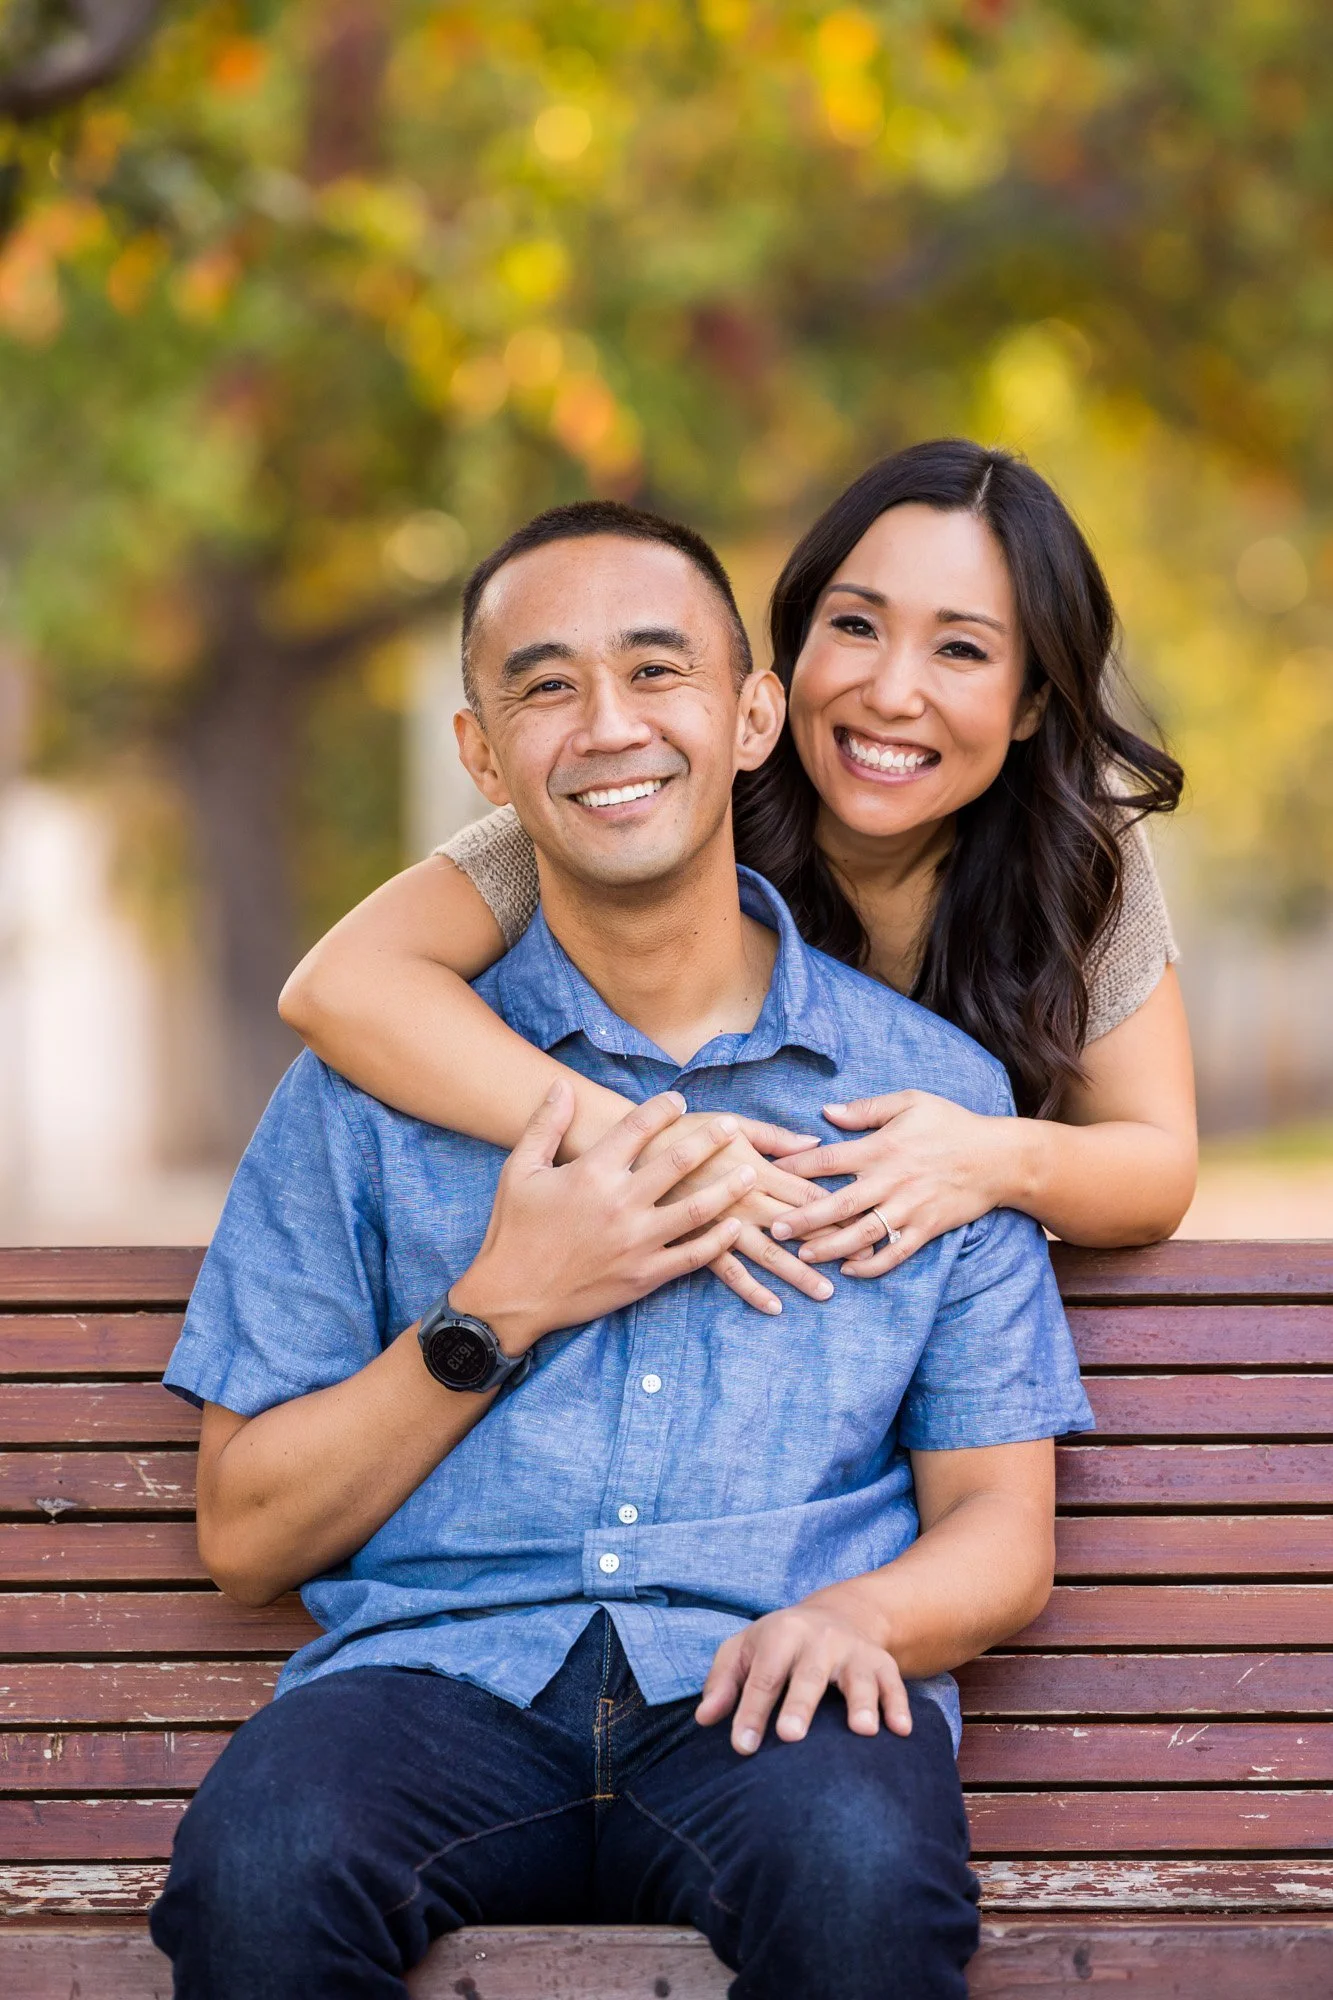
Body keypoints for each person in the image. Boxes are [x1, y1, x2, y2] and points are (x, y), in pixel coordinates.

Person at [150, 503, 1093, 2000]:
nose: (606, 728)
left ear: (751, 716)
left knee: (861, 1879)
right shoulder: (369, 1091)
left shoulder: (926, 1102)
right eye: (543, 687)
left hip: (774, 1691)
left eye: (657, 672)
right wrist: (500, 1308)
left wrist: (859, 1618)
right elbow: (246, 1534)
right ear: (480, 753)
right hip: (432, 1678)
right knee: (261, 1870)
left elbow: (1000, 1521)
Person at [282, 440, 1197, 1319]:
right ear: (784, 658)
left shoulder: (1074, 845)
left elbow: (1155, 1163)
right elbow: (342, 986)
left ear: (1031, 700)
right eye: (854, 626)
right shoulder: (660, 790)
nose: (888, 692)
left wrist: (991, 1160)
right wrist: (634, 1140)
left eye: (959, 649)